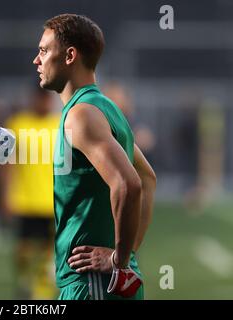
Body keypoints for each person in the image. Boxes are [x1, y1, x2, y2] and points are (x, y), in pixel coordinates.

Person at [33, 14, 156, 300]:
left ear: (70, 55)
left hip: (93, 285)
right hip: (101, 283)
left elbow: (129, 184)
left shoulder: (82, 115)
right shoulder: (104, 108)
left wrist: (119, 261)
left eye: (43, 50)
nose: (36, 61)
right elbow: (148, 177)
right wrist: (127, 256)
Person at [0, 85, 60, 299]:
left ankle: (42, 293)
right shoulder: (17, 124)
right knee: (22, 250)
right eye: (40, 98)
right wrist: (4, 195)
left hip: (51, 201)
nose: (44, 102)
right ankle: (25, 282)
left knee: (47, 250)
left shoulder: (60, 125)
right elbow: (5, 163)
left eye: (47, 98)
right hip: (23, 199)